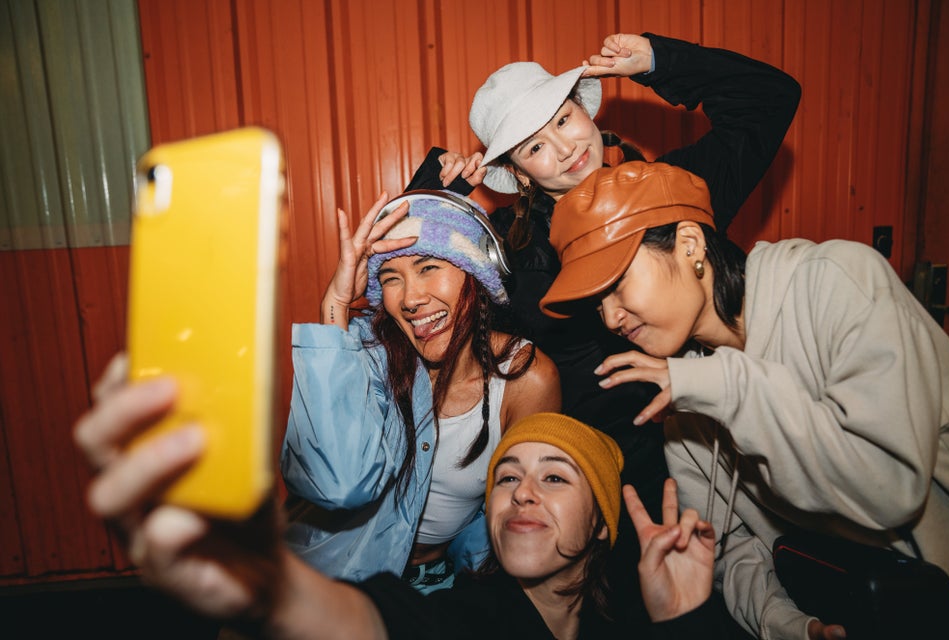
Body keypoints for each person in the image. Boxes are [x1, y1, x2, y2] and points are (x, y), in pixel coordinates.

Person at [406, 30, 800, 622]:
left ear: (587, 115)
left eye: (565, 121)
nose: (564, 149)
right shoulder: (510, 252)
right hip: (589, 481)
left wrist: (660, 62)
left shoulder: (668, 194)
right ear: (520, 174)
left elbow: (770, 100)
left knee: (732, 596)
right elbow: (404, 282)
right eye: (535, 147)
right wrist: (433, 195)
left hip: (708, 444)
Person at [538, 160, 949, 640]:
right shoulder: (686, 397)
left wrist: (725, 387)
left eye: (616, 285)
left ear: (690, 244)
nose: (610, 318)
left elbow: (891, 491)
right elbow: (729, 546)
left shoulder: (837, 282)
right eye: (598, 304)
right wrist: (790, 624)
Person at [73, 371, 731, 639]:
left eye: (556, 479)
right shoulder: (464, 617)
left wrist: (685, 622)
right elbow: (372, 623)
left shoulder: (640, 623)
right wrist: (272, 587)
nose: (522, 492)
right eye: (506, 478)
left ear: (600, 526)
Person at [280, 190, 561, 592]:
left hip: (441, 584)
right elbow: (334, 483)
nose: (410, 298)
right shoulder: (365, 355)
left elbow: (522, 510)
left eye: (428, 267)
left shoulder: (526, 378)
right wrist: (336, 305)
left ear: (477, 272)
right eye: (391, 278)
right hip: (326, 576)